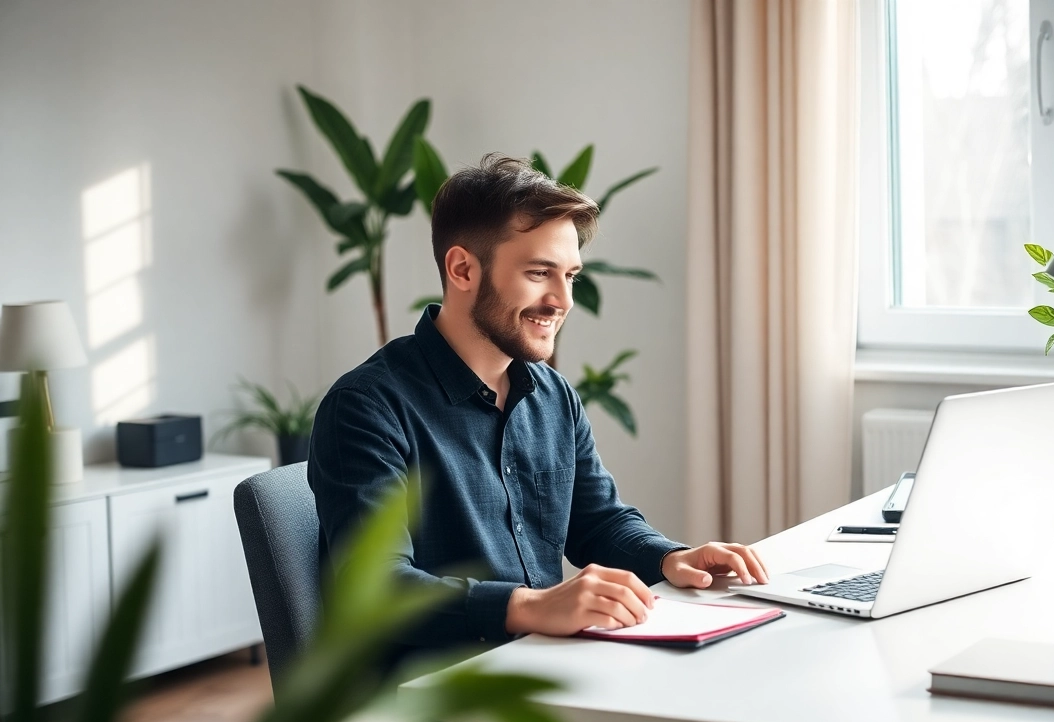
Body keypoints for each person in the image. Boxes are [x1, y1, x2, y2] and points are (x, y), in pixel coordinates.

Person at [308, 154, 770, 660]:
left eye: (569, 275)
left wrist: (672, 558)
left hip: (540, 669)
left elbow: (597, 523)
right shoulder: (366, 407)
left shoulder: (552, 396)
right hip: (434, 707)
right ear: (462, 269)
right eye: (539, 273)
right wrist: (529, 606)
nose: (562, 300)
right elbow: (376, 590)